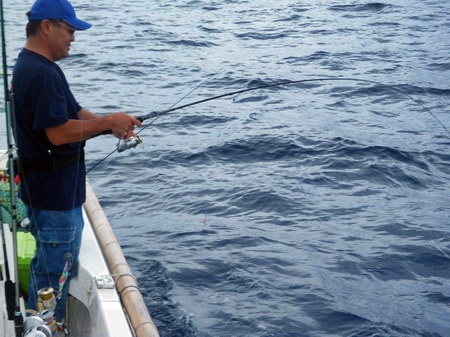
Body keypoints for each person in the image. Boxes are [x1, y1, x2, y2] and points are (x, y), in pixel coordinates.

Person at [11, 0, 142, 321]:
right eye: (69, 30)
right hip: (53, 197)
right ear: (46, 27)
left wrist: (108, 125)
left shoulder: (41, 68)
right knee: (54, 273)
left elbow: (75, 114)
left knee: (51, 264)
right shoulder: (39, 73)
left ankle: (41, 321)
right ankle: (40, 325)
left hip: (52, 191)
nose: (73, 37)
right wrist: (108, 121)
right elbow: (57, 133)